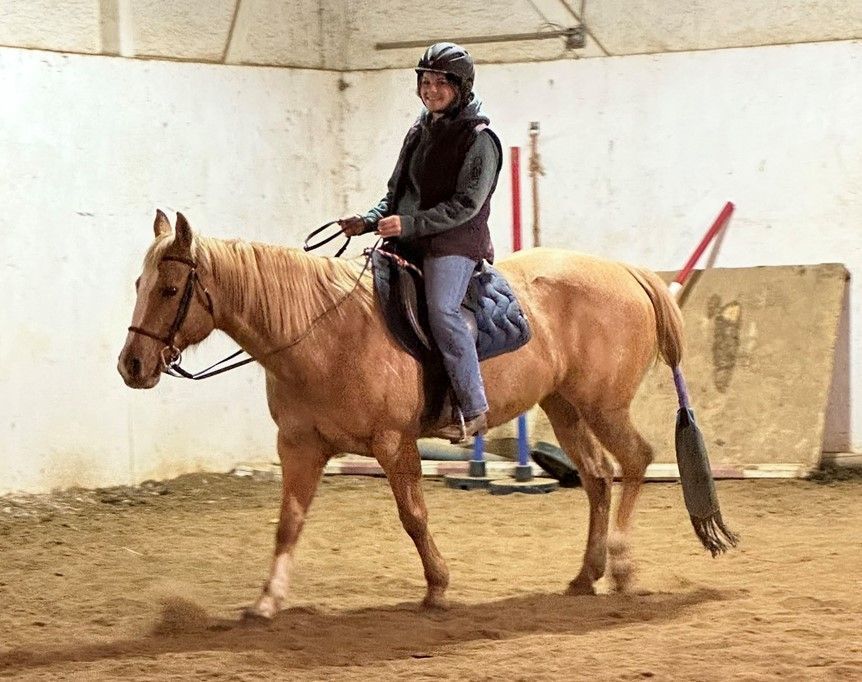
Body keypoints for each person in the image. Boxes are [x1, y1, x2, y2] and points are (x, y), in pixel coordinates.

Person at [339, 42, 503, 442]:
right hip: (412, 237)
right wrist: (368, 220)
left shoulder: (480, 139)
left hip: (455, 243)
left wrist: (409, 224)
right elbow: (398, 191)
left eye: (440, 83)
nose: (430, 90)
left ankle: (474, 406)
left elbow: (466, 204)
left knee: (443, 311)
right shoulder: (420, 129)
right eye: (425, 82)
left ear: (460, 87)